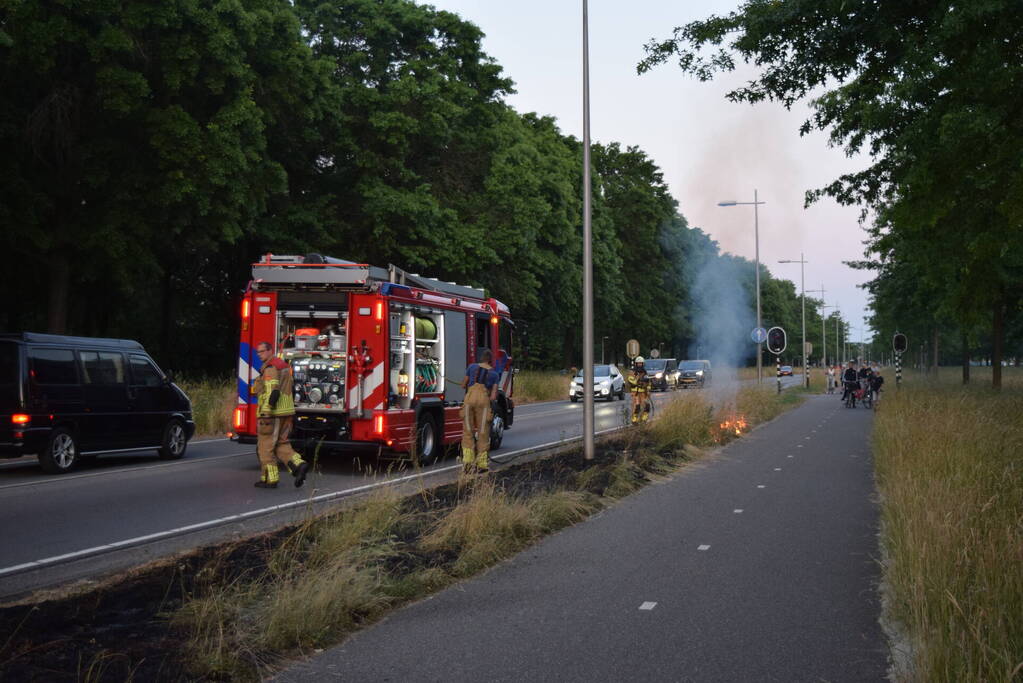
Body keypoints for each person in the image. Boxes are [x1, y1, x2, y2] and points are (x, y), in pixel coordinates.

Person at [252, 342, 310, 489]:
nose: (259, 354)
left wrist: (266, 411)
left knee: (265, 446)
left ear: (270, 351)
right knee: (281, 443)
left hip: (273, 414)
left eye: (262, 351)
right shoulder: (283, 365)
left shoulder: (271, 367)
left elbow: (273, 391)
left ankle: (270, 479)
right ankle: (298, 465)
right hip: (287, 412)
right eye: (258, 352)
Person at [460, 350, 499, 474]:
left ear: (480, 359)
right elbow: (493, 396)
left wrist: (465, 384)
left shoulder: (471, 367)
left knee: (468, 431)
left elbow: (463, 384)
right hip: (483, 401)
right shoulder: (494, 374)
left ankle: (467, 463)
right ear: (490, 360)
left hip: (469, 400)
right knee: (483, 432)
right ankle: (482, 465)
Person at [627, 356, 652, 424]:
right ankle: (634, 420)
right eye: (638, 363)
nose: (639, 365)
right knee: (637, 406)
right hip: (636, 392)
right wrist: (637, 382)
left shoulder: (645, 372)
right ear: (636, 364)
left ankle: (644, 419)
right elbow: (630, 379)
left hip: (644, 392)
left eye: (641, 363)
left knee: (647, 406)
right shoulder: (633, 371)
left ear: (643, 364)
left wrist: (648, 389)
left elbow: (648, 382)